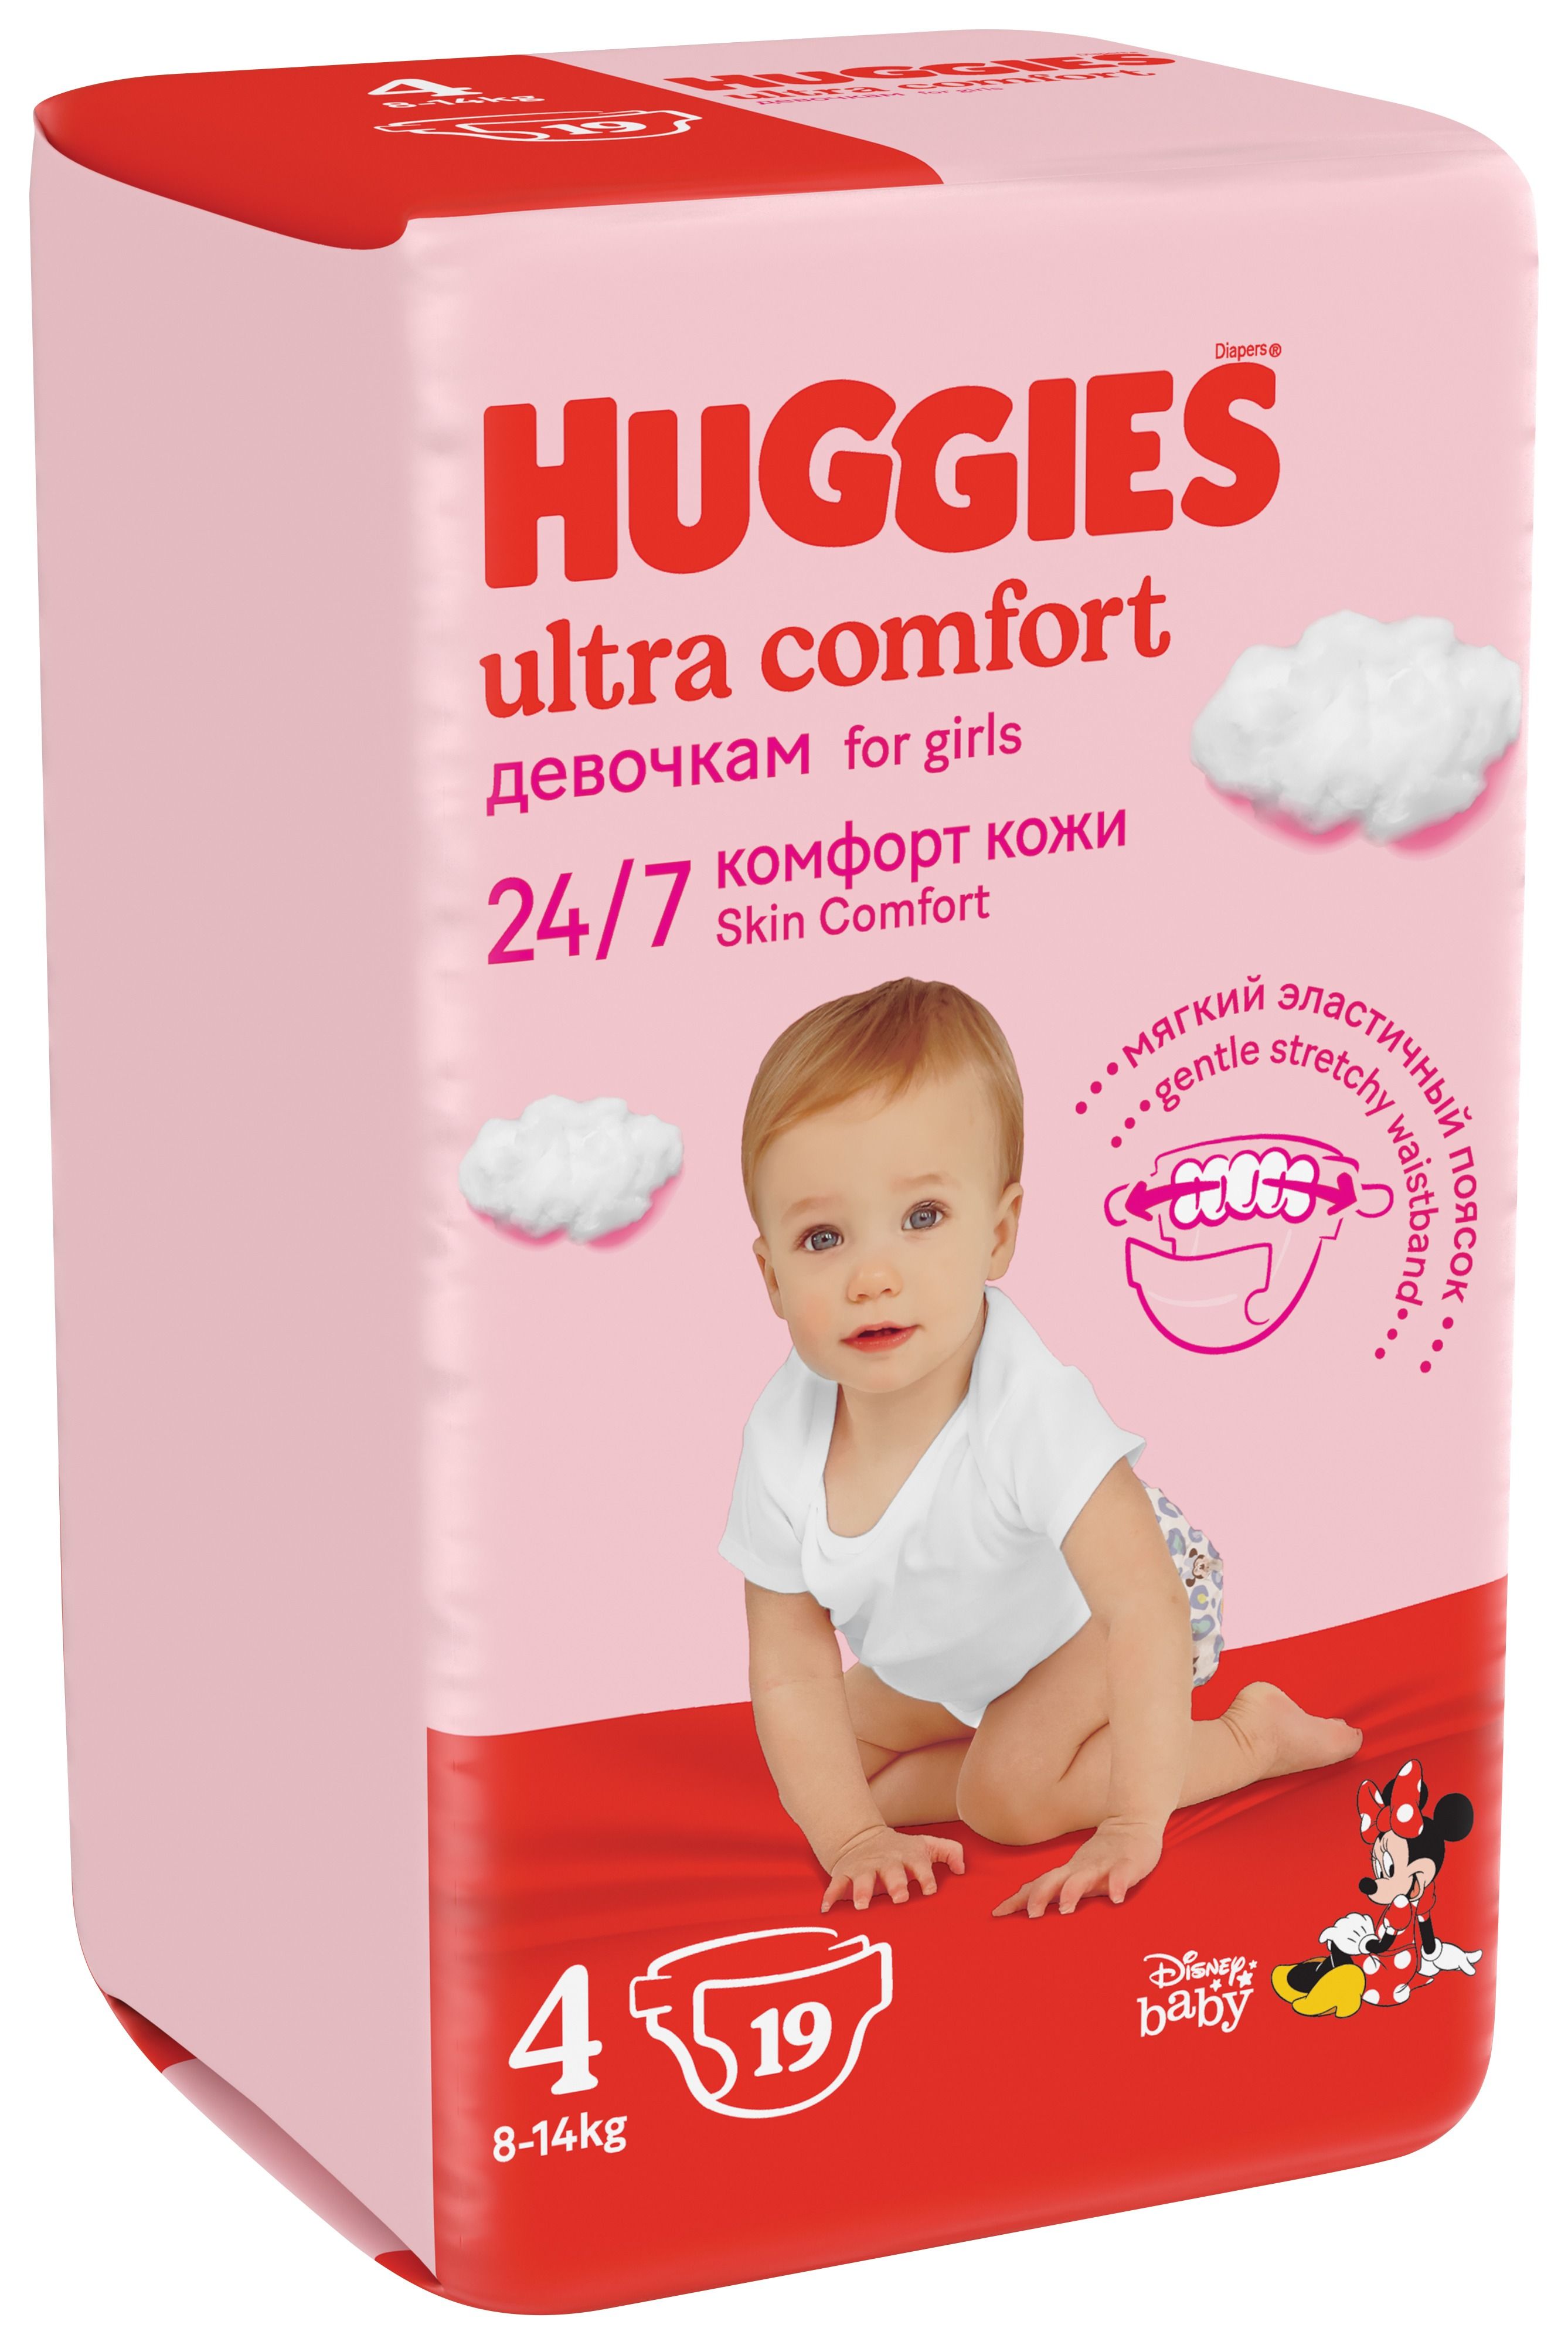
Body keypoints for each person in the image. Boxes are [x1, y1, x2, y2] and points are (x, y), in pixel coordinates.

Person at [722, 977, 1360, 1921]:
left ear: (999, 1233)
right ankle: (999, 1748)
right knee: (831, 1760)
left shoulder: (1025, 1409)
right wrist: (853, 1838)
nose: (873, 1276)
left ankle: (1248, 1738)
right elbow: (790, 1670)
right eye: (823, 1238)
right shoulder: (781, 1441)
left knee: (1008, 1798)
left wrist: (1132, 1822)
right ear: (772, 1277)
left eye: (923, 1217)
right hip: (971, 1646)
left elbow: (1141, 1609)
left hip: (1122, 1605)